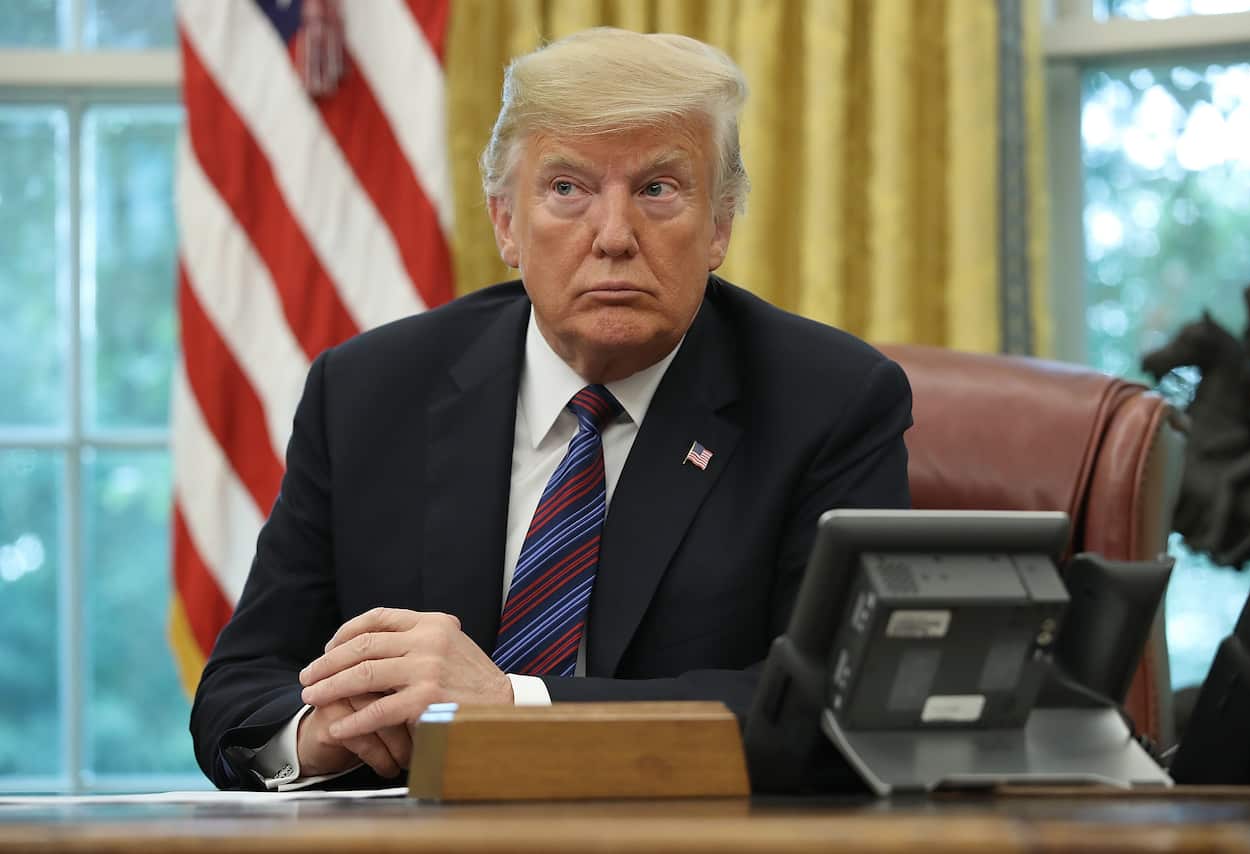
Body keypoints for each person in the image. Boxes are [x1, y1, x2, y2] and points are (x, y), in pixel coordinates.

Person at [190, 27, 912, 791]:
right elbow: (240, 690)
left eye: (658, 190)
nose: (613, 237)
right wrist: (322, 731)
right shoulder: (368, 392)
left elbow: (834, 707)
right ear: (506, 223)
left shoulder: (830, 401)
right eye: (567, 189)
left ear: (720, 226)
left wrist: (513, 705)